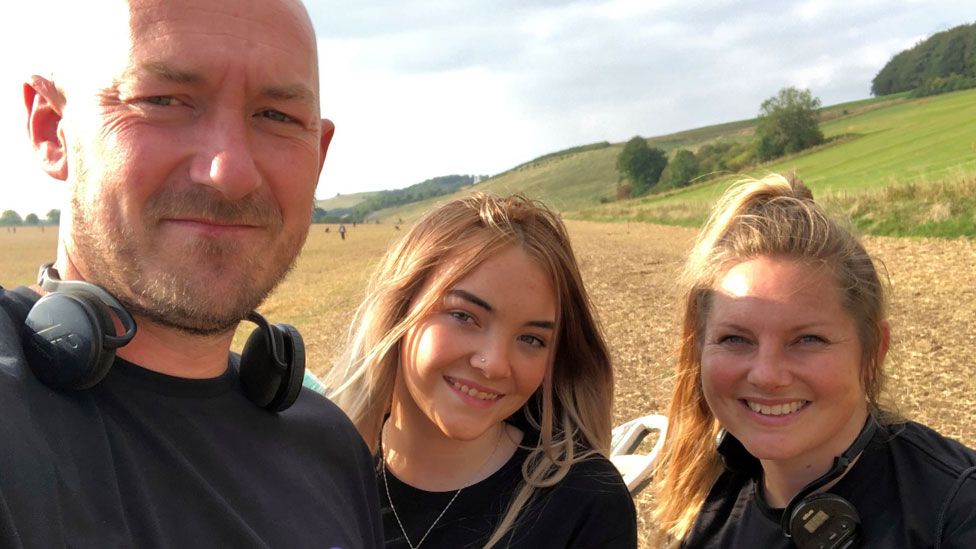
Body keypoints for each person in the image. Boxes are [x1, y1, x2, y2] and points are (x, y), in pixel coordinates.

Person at [0, 0, 383, 547]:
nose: (230, 172)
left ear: (318, 155)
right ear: (52, 129)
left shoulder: (333, 449)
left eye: (276, 116)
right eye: (162, 100)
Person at [652, 174, 976, 548]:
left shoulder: (955, 513)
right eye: (735, 339)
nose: (767, 375)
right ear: (699, 348)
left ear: (873, 351)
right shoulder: (702, 504)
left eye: (808, 339)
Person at [326, 193, 638, 548]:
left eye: (531, 339)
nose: (494, 364)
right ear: (399, 310)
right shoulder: (317, 479)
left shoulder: (586, 505)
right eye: (464, 316)